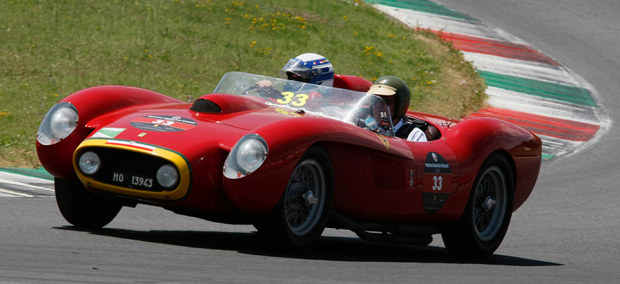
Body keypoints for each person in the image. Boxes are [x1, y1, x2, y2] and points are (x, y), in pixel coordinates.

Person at [367, 76, 438, 142]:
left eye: (386, 101)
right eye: (375, 100)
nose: (378, 106)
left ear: (399, 106)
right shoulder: (364, 125)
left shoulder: (414, 136)